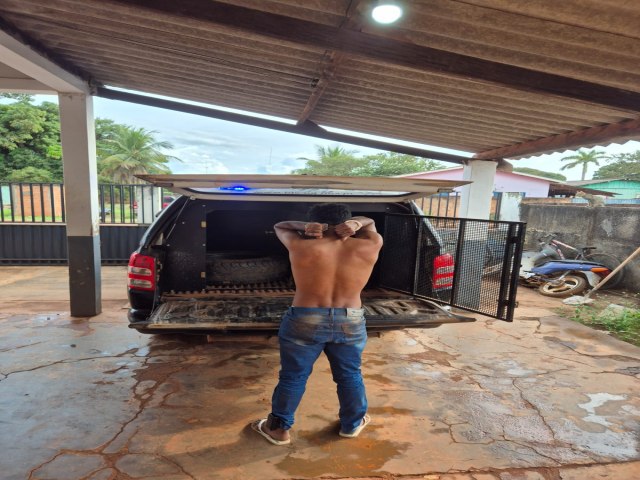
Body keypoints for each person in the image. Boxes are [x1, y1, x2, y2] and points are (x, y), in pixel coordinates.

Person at [251, 203, 383, 446]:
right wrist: (357, 223)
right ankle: (352, 425)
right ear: (347, 222)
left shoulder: (300, 244)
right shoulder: (371, 243)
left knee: (293, 376)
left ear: (315, 224)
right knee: (349, 375)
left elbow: (280, 226)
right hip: (350, 319)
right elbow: (370, 223)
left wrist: (305, 227)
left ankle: (278, 429)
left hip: (305, 317)